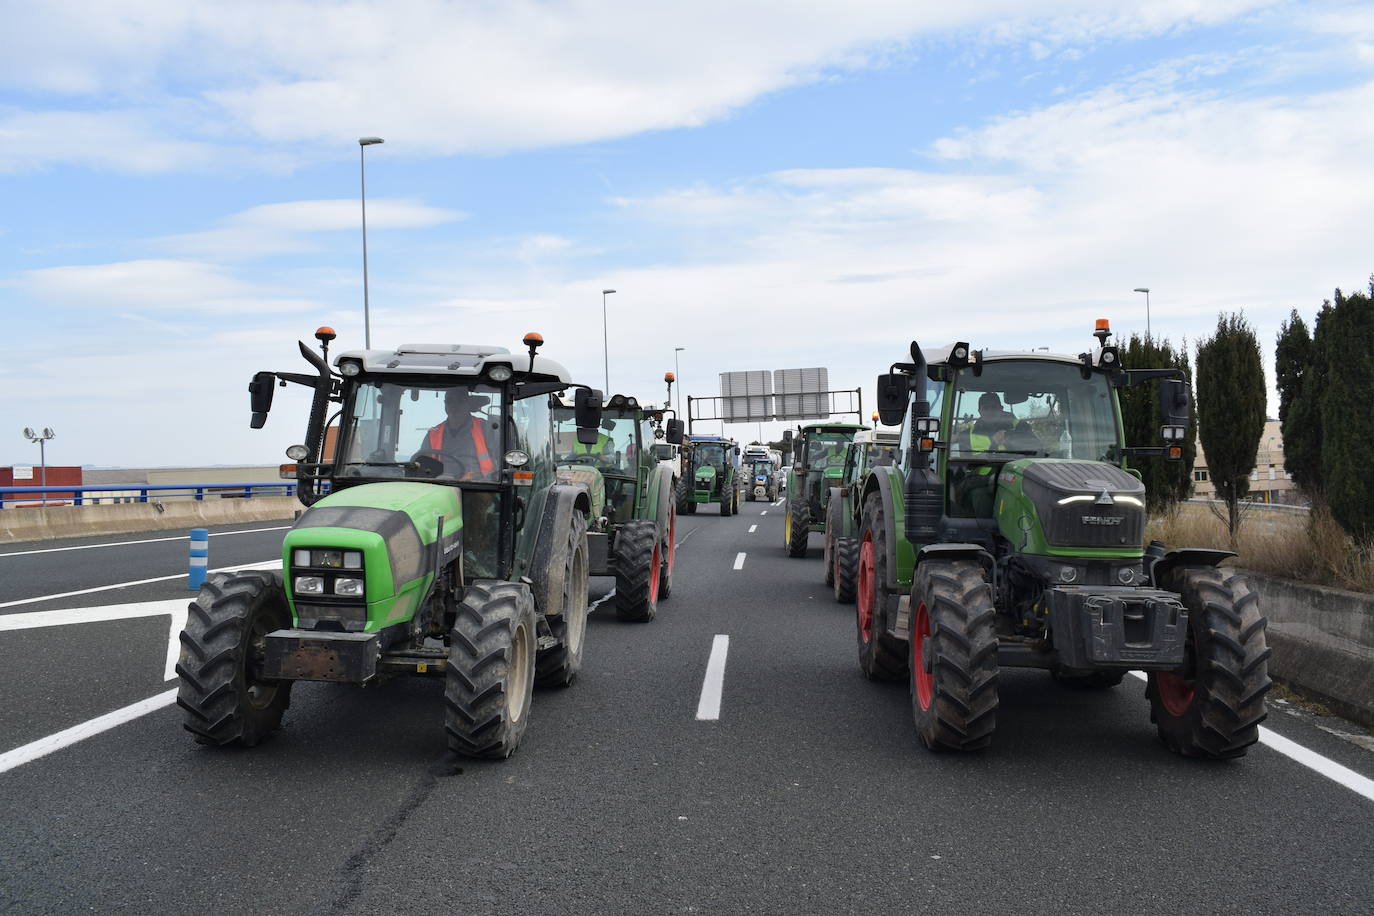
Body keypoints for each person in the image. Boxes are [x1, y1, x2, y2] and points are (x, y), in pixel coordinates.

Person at [416, 389, 496, 480]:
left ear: (468, 404)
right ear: (445, 404)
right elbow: (421, 463)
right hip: (441, 486)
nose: (454, 406)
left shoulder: (486, 428)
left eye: (460, 401)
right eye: (450, 401)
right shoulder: (433, 433)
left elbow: (501, 460)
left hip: (479, 488)